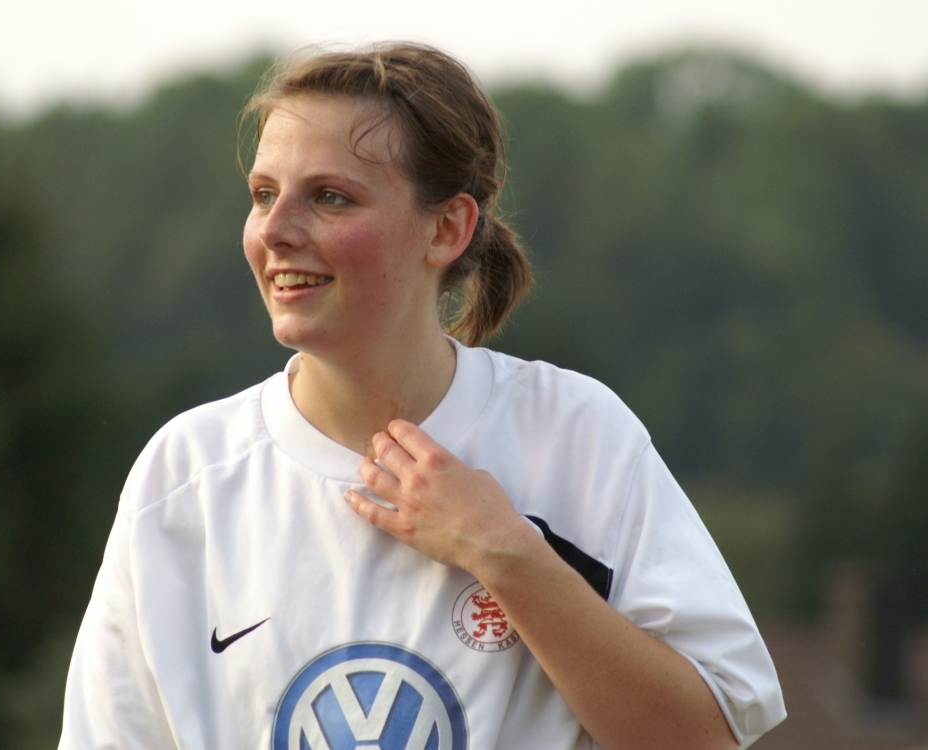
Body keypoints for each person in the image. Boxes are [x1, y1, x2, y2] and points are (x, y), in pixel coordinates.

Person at [59, 43, 786, 750]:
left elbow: (706, 738)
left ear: (446, 229)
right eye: (263, 195)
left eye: (330, 197)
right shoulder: (183, 478)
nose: (275, 231)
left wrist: (509, 555)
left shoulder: (577, 437)